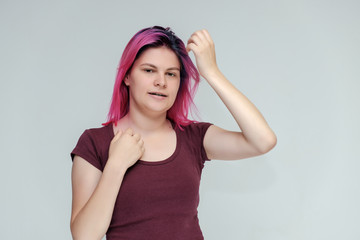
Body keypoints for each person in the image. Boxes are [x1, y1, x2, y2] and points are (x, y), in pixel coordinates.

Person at [70, 26, 276, 240]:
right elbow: (84, 236)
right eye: (149, 70)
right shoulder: (95, 142)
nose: (162, 82)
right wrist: (116, 165)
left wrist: (211, 72)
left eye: (171, 73)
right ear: (127, 76)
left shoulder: (193, 137)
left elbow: (263, 141)